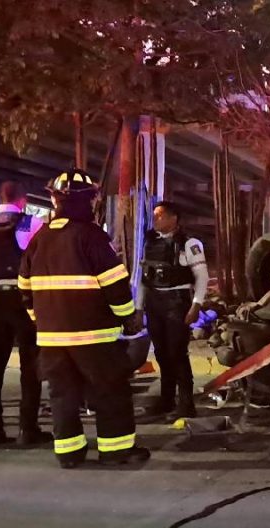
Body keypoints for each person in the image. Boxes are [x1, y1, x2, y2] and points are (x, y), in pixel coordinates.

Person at [19, 169, 149, 469]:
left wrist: (42, 320)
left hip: (52, 339)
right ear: (87, 201)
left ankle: (69, 454)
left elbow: (24, 288)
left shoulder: (39, 239)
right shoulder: (92, 236)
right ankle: (115, 450)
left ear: (56, 200)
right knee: (110, 391)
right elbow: (115, 284)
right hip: (94, 336)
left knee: (63, 396)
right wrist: (127, 317)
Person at [0, 181, 49, 446]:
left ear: (0, 197)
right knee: (30, 363)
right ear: (23, 199)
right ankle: (27, 429)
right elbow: (44, 258)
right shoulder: (32, 223)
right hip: (24, 298)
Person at [140, 201, 208, 421]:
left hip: (176, 302)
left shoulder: (189, 244)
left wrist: (196, 305)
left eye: (160, 215)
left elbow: (202, 277)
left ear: (173, 218)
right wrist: (139, 308)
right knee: (161, 353)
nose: (155, 219)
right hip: (154, 301)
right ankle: (166, 400)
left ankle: (186, 404)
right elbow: (144, 277)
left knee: (177, 353)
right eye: (155, 215)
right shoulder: (150, 242)